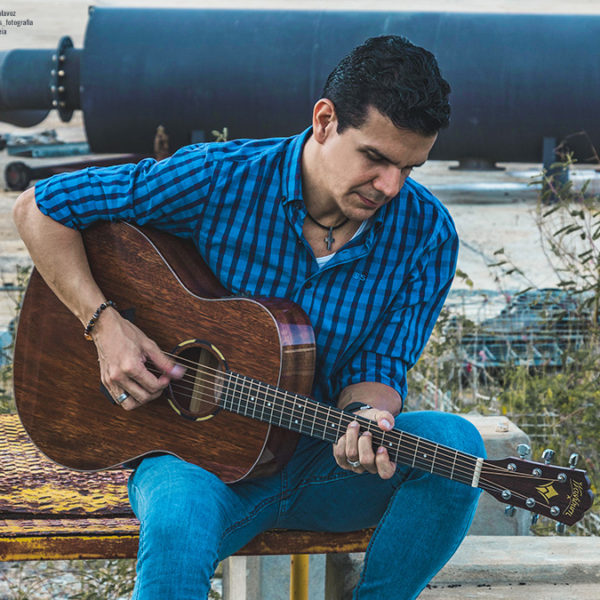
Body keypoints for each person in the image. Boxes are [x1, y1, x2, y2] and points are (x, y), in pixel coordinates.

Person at [13, 35, 485, 599]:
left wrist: (366, 420)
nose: (391, 186)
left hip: (320, 461)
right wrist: (104, 324)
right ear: (326, 120)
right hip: (197, 463)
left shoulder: (426, 234)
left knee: (457, 446)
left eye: (409, 167)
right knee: (176, 522)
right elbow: (40, 207)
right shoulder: (221, 177)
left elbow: (382, 364)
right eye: (376, 158)